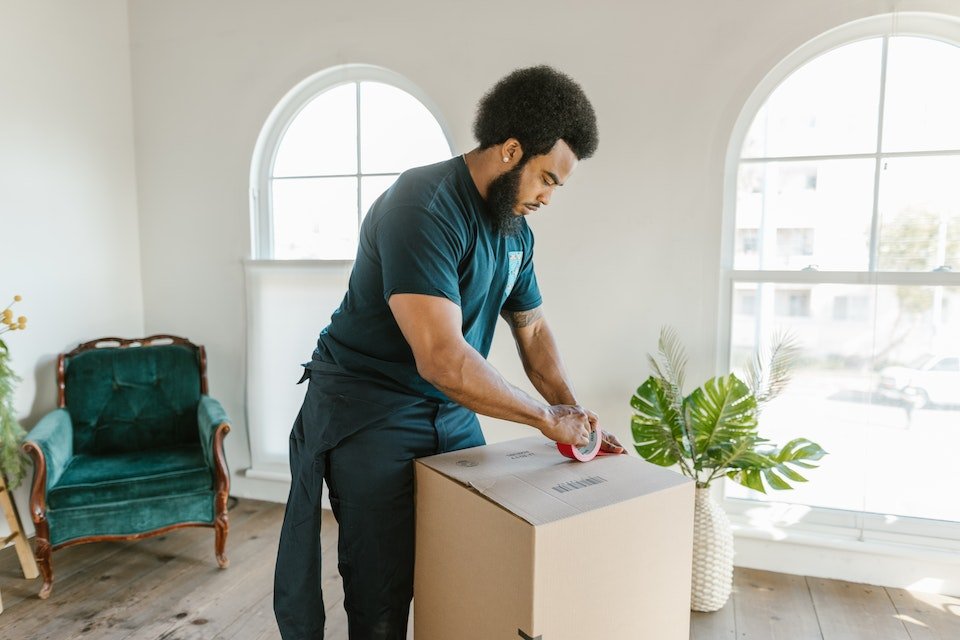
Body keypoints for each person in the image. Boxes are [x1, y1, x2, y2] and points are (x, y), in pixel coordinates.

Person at [273, 65, 625, 640]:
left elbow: (532, 332)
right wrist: (545, 420)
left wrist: (575, 413)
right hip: (371, 411)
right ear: (511, 150)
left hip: (450, 409)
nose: (547, 197)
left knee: (467, 565)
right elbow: (441, 357)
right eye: (547, 179)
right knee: (382, 594)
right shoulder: (423, 206)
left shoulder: (515, 231)